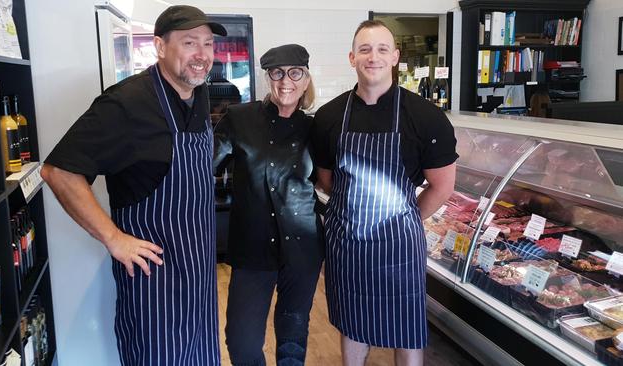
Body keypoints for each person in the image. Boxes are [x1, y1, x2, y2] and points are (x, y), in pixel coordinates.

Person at [40, 5, 226, 365]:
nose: (202, 55)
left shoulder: (197, 93)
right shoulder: (125, 103)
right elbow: (58, 171)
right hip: (153, 280)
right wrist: (114, 238)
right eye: (190, 43)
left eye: (208, 44)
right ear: (159, 46)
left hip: (200, 273)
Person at [311, 20, 458, 366]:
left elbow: (443, 186)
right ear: (352, 58)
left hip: (399, 246)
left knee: (405, 326)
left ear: (394, 57)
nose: (372, 57)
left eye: (381, 49)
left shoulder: (425, 117)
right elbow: (326, 181)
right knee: (353, 323)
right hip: (347, 244)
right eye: (364, 49)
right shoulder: (329, 116)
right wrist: (357, 214)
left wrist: (401, 219)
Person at [213, 44, 324, 366]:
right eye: (277, 72)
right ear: (267, 78)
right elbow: (204, 164)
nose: (285, 80)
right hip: (252, 248)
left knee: (292, 340)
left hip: (302, 249)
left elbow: (329, 179)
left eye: (294, 73)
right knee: (241, 342)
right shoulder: (239, 118)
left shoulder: (314, 128)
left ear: (305, 79)